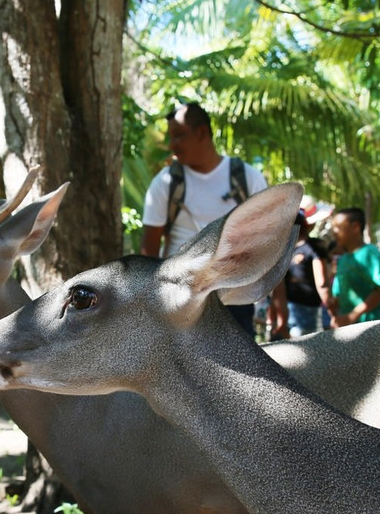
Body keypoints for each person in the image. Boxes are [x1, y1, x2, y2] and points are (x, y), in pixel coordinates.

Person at [140, 102, 268, 335]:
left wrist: (277, 300)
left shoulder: (247, 178)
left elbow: (267, 243)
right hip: (180, 299)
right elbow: (148, 250)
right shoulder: (166, 182)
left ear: (201, 133)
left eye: (178, 136)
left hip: (234, 299)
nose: (172, 146)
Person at [327, 206, 380, 327]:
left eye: (338, 227)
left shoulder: (370, 253)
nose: (334, 232)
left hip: (377, 326)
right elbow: (339, 295)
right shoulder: (342, 259)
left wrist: (352, 316)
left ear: (355, 227)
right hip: (352, 329)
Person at [282, 202, 333, 337]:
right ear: (307, 225)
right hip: (307, 309)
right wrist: (333, 310)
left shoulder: (284, 252)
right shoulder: (314, 247)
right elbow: (322, 283)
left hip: (287, 308)